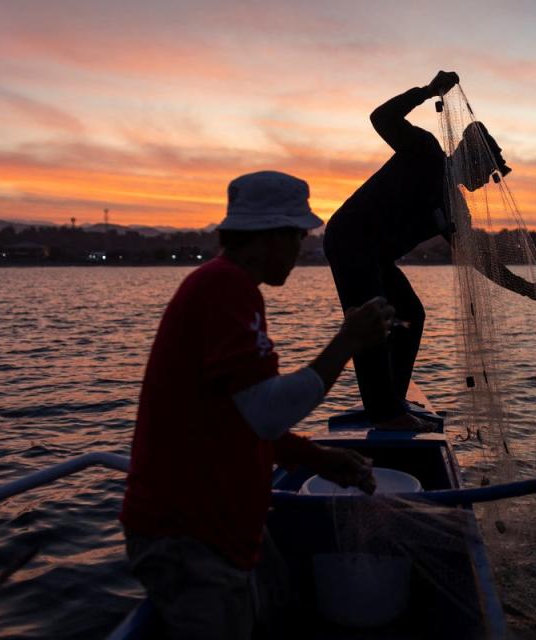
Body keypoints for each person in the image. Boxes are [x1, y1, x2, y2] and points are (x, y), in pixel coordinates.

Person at [120, 170, 393, 639]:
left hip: (220, 527)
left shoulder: (226, 288)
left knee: (278, 607)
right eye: (298, 236)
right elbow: (267, 411)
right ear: (270, 237)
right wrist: (347, 341)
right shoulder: (225, 288)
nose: (302, 249)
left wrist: (317, 459)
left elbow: (239, 417)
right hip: (187, 536)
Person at [324, 71, 536, 430]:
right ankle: (385, 413)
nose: (488, 181)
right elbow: (381, 118)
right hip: (349, 241)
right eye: (488, 170)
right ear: (471, 157)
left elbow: (479, 259)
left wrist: (529, 290)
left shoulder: (455, 207)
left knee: (410, 314)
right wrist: (427, 92)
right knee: (376, 321)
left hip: (375, 257)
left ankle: (391, 400)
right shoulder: (424, 151)